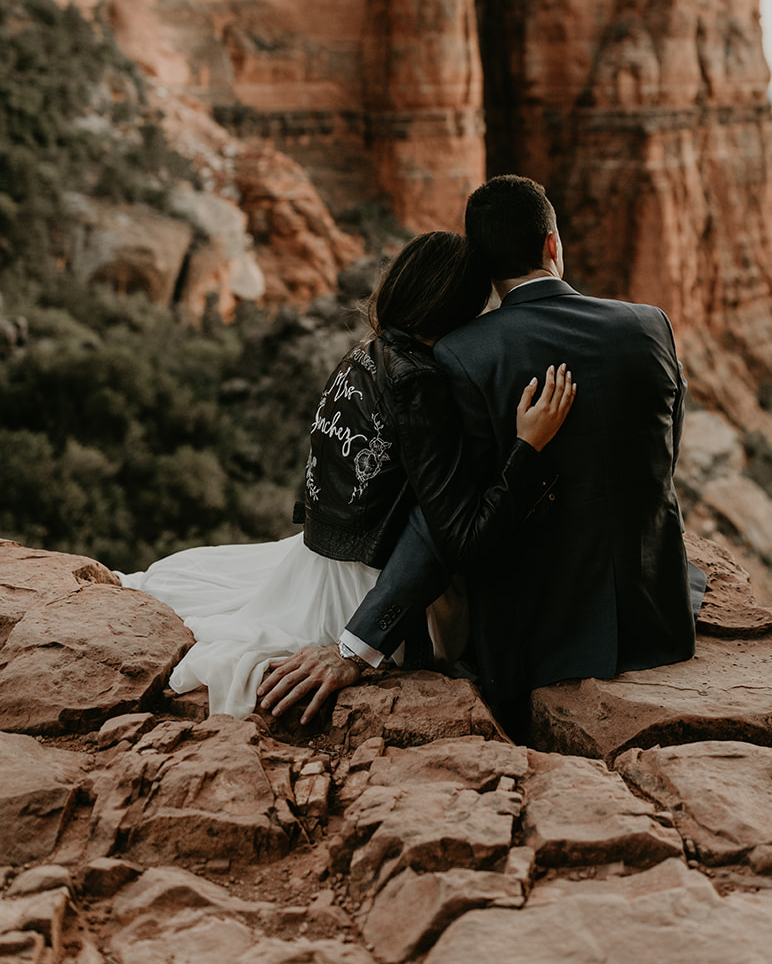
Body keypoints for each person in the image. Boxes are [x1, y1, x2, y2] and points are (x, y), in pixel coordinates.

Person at [120, 231, 575, 721]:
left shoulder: (370, 350)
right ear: (462, 308)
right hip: (373, 597)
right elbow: (458, 538)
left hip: (326, 559)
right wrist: (529, 447)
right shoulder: (422, 381)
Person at [341, 175, 703, 733]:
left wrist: (363, 641)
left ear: (484, 269)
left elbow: (441, 519)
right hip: (656, 612)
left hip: (540, 634)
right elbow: (663, 460)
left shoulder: (463, 354)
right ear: (552, 244)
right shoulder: (649, 324)